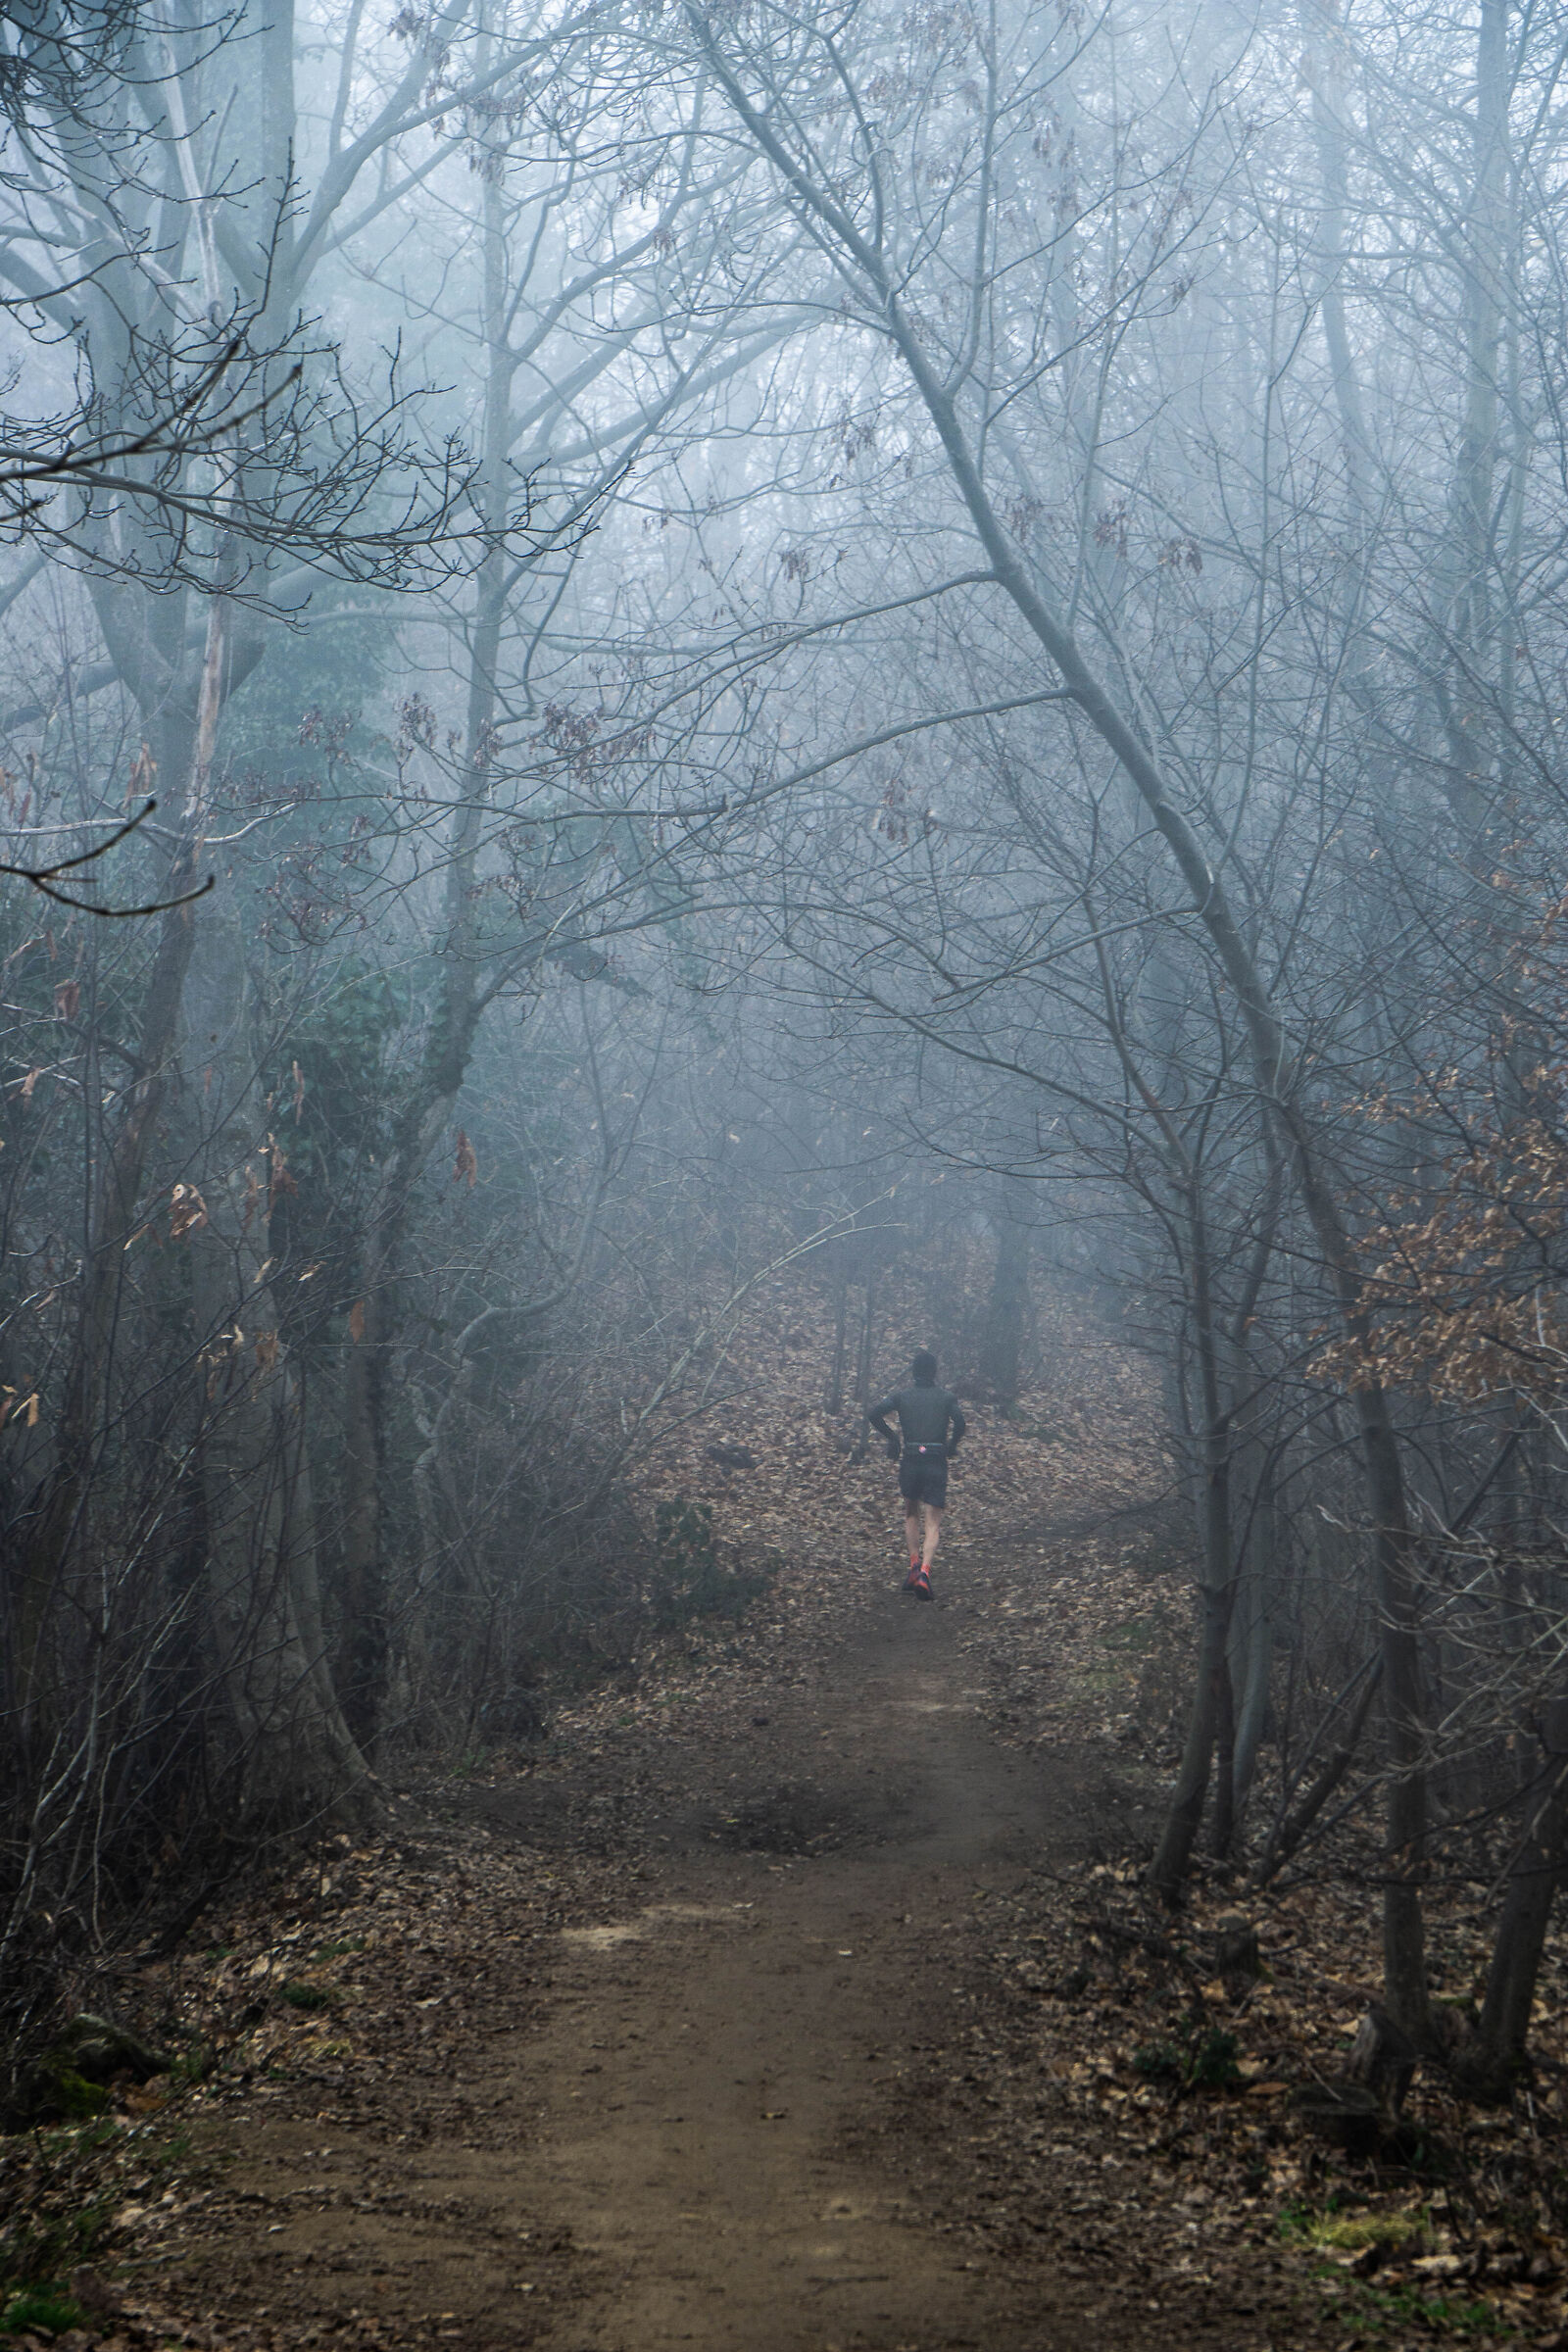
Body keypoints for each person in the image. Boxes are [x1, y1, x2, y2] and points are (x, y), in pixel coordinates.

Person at [867, 1348, 965, 1599]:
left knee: (911, 1513)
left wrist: (892, 1438)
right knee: (933, 1521)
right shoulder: (946, 1398)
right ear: (934, 1372)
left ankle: (912, 1566)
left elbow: (874, 1413)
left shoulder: (902, 1397)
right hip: (935, 1459)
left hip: (911, 1457)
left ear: (913, 1372)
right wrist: (952, 1445)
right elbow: (961, 1423)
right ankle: (925, 1572)